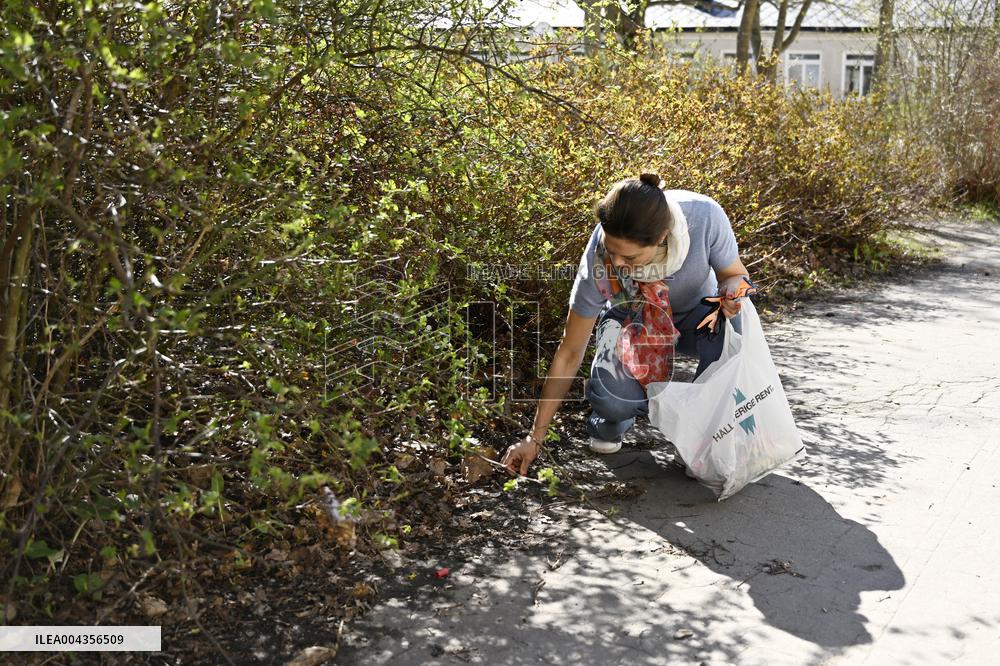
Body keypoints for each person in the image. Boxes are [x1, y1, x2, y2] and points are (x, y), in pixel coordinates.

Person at [501, 173, 752, 476]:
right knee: (613, 399)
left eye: (628, 256)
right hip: (630, 320)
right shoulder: (599, 259)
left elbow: (735, 275)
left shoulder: (704, 215)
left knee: (735, 325)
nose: (617, 264)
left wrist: (733, 294)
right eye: (612, 250)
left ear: (661, 238)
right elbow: (569, 352)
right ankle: (610, 420)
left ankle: (706, 436)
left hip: (696, 316)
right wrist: (535, 437)